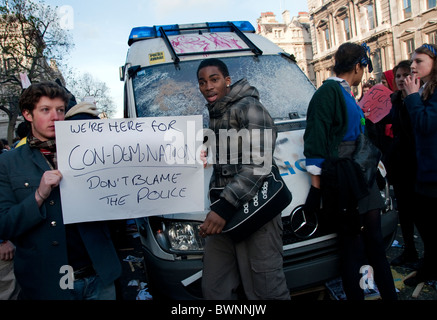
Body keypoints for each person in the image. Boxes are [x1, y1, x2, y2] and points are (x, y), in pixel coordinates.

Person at [0, 81, 122, 300]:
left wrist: (186, 160)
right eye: (45, 110)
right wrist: (39, 195)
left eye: (60, 110)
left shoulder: (93, 151)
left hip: (99, 275)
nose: (55, 117)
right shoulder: (8, 163)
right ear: (28, 114)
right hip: (47, 281)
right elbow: (5, 224)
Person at [303, 42, 397, 300]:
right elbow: (315, 139)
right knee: (353, 246)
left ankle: (387, 295)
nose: (363, 74)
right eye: (364, 68)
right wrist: (316, 187)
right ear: (358, 66)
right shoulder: (327, 93)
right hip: (345, 180)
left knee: (375, 244)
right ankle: (360, 296)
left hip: (361, 176)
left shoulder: (344, 92)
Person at [197, 58, 290, 300]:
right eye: (202, 82)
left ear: (227, 81)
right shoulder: (215, 114)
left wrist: (225, 206)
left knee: (266, 290)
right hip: (224, 216)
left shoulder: (250, 107)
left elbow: (258, 162)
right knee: (214, 289)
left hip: (255, 212)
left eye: (214, 79)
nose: (208, 86)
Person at [402, 43, 437, 286]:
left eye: (419, 61)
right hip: (424, 171)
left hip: (434, 174)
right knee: (424, 224)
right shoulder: (425, 89)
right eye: (412, 60)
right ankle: (429, 267)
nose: (413, 66)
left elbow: (425, 124)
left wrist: (412, 97)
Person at [385, 60, 420, 268]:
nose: (401, 79)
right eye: (398, 76)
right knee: (404, 212)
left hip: (416, 164)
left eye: (405, 75)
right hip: (399, 163)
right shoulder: (395, 99)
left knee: (419, 212)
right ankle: (410, 251)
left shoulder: (419, 99)